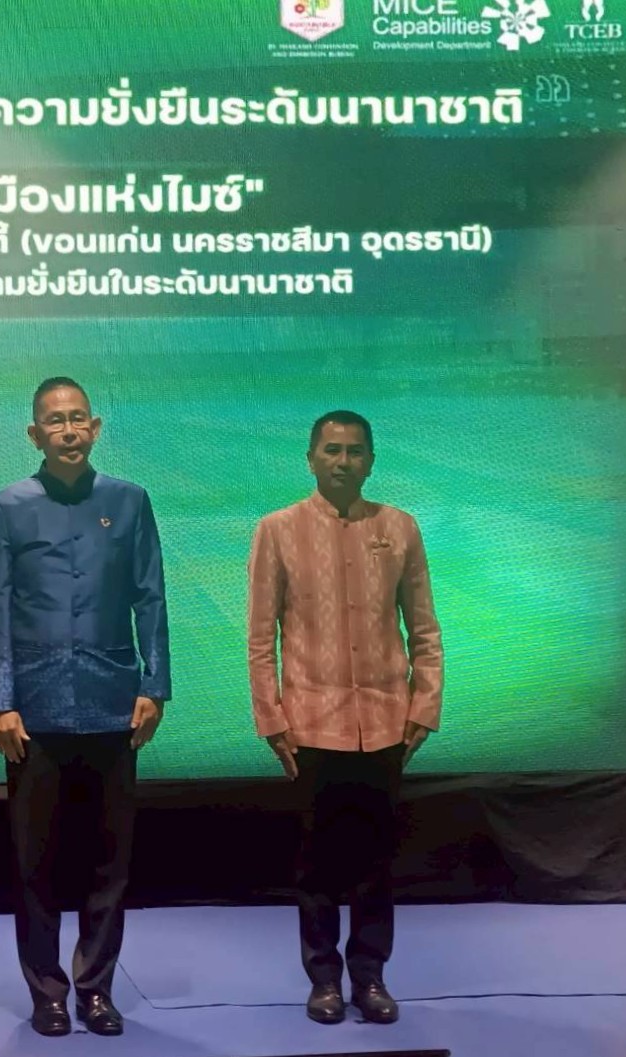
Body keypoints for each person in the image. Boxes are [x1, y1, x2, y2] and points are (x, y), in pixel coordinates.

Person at [0, 377, 170, 1038]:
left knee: (108, 862)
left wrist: (154, 685)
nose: (67, 430)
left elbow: (150, 596)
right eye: (53, 421)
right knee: (34, 863)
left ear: (95, 427)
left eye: (77, 418)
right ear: (34, 434)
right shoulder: (7, 507)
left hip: (113, 704)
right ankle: (47, 991)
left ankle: (95, 989)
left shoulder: (129, 500)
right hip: (32, 712)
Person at [246, 410, 443, 1026]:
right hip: (311, 725)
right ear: (310, 459)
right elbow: (260, 638)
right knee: (316, 864)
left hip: (385, 722)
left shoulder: (399, 528)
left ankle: (371, 977)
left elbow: (425, 628)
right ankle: (324, 980)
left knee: (377, 862)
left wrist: (425, 704)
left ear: (371, 461)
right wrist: (271, 718)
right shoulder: (277, 530)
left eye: (355, 451)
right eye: (331, 450)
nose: (343, 461)